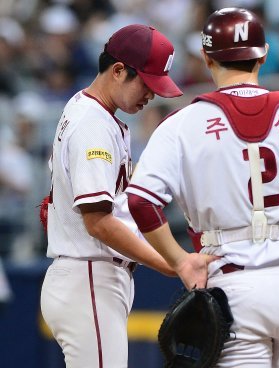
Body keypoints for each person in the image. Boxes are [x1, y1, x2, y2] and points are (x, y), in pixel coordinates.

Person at [126, 8, 279, 367]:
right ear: (263, 55)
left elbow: (141, 202)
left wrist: (180, 262)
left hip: (233, 286)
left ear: (206, 57)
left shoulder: (181, 124)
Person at [39, 24, 186, 368]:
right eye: (147, 84)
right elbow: (99, 223)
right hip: (88, 276)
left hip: (88, 277)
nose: (152, 95)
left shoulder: (91, 110)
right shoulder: (93, 124)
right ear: (118, 70)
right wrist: (171, 263)